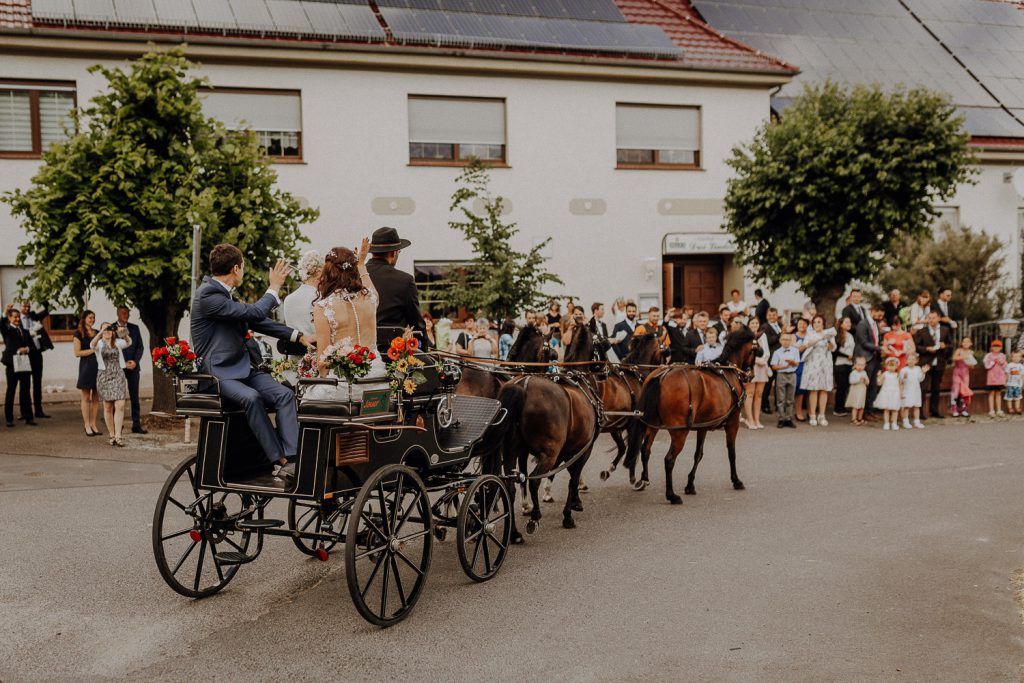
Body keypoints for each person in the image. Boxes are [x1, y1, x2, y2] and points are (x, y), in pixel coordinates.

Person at [191, 244, 309, 479]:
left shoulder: (225, 296)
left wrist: (299, 336)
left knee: (284, 395)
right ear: (236, 268)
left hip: (244, 369)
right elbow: (255, 314)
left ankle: (294, 457)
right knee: (251, 398)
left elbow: (256, 321)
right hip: (217, 374)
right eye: (243, 267)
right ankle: (281, 460)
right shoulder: (207, 295)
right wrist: (274, 287)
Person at [364, 227, 427, 352]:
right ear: (393, 253)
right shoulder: (405, 280)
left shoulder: (357, 276)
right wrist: (425, 352)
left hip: (361, 353)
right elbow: (417, 325)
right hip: (393, 353)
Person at [91, 322, 132, 446]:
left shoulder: (118, 342)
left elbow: (129, 342)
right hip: (104, 377)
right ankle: (112, 434)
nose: (108, 331)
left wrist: (123, 332)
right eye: (105, 329)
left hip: (118, 375)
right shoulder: (98, 343)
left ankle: (118, 435)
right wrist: (100, 332)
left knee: (120, 405)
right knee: (108, 407)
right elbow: (91, 344)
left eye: (109, 328)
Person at [282, 249, 323, 357]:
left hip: (294, 360)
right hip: (316, 358)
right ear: (319, 273)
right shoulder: (321, 298)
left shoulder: (288, 299)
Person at [913, 311, 952, 419]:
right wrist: (926, 349)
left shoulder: (945, 330)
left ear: (939, 318)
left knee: (936, 388)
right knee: (923, 388)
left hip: (939, 362)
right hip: (926, 363)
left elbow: (951, 346)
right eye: (929, 318)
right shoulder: (921, 331)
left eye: (933, 318)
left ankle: (934, 410)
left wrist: (945, 347)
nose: (931, 320)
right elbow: (916, 346)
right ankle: (920, 412)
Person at [114, 306, 147, 434]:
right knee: (117, 397)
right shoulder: (111, 328)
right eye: (123, 313)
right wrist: (122, 363)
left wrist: (135, 361)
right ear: (118, 314)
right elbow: (111, 348)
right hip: (118, 368)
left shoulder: (135, 328)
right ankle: (118, 425)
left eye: (127, 313)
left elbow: (140, 347)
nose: (126, 315)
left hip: (133, 367)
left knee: (135, 397)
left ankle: (136, 425)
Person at [799, 315, 836, 426]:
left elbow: (832, 348)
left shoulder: (828, 334)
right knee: (813, 389)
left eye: (819, 322)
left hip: (825, 363)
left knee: (824, 389)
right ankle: (812, 415)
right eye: (814, 322)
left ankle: (822, 415)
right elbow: (804, 346)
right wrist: (817, 339)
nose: (816, 324)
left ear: (823, 324)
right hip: (813, 363)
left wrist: (828, 340)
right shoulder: (810, 334)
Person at [19, 301, 54, 419]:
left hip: (37, 353)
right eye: (24, 306)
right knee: (24, 385)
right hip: (24, 354)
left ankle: (38, 411)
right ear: (20, 307)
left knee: (37, 383)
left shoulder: (33, 315)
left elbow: (47, 311)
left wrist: (44, 302)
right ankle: (25, 413)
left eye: (28, 306)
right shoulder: (16, 318)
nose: (27, 308)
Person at [2, 307, 36, 427]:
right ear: (10, 318)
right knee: (11, 390)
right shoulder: (7, 330)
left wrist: (26, 349)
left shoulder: (25, 331)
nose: (17, 319)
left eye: (18, 317)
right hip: (12, 364)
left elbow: (33, 347)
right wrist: (5, 312)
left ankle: (28, 417)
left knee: (26, 391)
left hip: (24, 363)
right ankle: (9, 418)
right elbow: (1, 323)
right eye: (14, 317)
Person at [855, 304, 886, 418]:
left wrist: (883, 345)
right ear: (872, 311)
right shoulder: (863, 324)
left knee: (873, 386)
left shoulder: (875, 324)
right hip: (865, 358)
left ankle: (869, 410)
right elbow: (863, 342)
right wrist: (879, 348)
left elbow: (876, 340)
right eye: (878, 315)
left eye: (882, 315)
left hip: (875, 357)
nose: (880, 317)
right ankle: (861, 413)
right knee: (865, 386)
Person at [73, 310, 100, 436]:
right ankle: (86, 425)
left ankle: (93, 424)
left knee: (96, 398)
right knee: (85, 397)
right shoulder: (78, 333)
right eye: (90, 317)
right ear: (84, 319)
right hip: (86, 367)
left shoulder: (97, 333)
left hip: (98, 367)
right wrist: (93, 350)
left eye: (93, 318)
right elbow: (77, 353)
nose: (92, 320)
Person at [743, 317, 770, 429]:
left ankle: (757, 419)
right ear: (748, 324)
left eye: (756, 322)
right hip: (751, 366)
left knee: (759, 394)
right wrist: (757, 360)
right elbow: (745, 352)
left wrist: (763, 360)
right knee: (750, 393)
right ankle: (750, 419)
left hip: (762, 367)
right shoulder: (745, 336)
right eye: (752, 322)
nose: (754, 324)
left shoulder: (763, 335)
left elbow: (767, 351)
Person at [770, 333, 800, 428]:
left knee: (790, 399)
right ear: (780, 341)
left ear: (791, 341)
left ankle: (789, 418)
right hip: (781, 375)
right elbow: (774, 366)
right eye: (784, 339)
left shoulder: (795, 351)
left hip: (792, 375)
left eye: (788, 339)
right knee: (781, 399)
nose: (786, 341)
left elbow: (797, 364)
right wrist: (785, 366)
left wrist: (792, 363)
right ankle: (781, 418)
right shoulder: (777, 352)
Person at [762, 307, 783, 414]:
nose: (772, 317)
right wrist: (781, 334)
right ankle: (765, 405)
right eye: (770, 315)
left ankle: (778, 404)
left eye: (774, 315)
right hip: (770, 358)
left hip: (780, 359)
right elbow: (769, 341)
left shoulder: (781, 325)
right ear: (767, 316)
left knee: (779, 384)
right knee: (768, 384)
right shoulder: (765, 327)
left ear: (777, 315)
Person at [833, 316, 855, 417]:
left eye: (849, 322)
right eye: (846, 322)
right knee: (841, 386)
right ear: (841, 324)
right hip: (839, 364)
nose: (849, 324)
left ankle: (842, 406)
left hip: (849, 364)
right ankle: (837, 408)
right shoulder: (837, 335)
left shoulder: (850, 335)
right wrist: (847, 356)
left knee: (845, 386)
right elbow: (835, 352)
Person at [949, 336, 977, 418]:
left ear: (971, 343)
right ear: (961, 343)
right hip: (957, 372)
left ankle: (963, 408)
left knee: (965, 390)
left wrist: (971, 364)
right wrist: (963, 357)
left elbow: (972, 365)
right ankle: (953, 408)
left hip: (965, 373)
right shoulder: (959, 350)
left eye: (968, 341)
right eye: (964, 341)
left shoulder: (971, 352)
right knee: (956, 390)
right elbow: (954, 358)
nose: (966, 343)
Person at [874, 356, 903, 430]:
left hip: (895, 393)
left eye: (892, 365)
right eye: (889, 365)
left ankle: (894, 423)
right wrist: (879, 376)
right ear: (886, 366)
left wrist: (901, 393)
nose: (890, 367)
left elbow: (900, 384)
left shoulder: (897, 375)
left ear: (896, 366)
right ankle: (886, 423)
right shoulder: (885, 374)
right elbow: (879, 383)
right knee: (886, 409)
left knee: (895, 410)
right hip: (886, 393)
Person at [899, 353, 926, 429]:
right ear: (906, 361)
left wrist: (923, 372)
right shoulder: (903, 370)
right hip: (907, 390)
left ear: (916, 361)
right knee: (906, 406)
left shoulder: (918, 369)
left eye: (913, 359)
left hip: (916, 390)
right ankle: (905, 421)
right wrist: (904, 378)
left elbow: (920, 379)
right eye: (909, 359)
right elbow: (901, 382)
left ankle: (917, 422)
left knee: (916, 406)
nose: (911, 361)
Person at [983, 339, 1007, 417]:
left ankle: (999, 410)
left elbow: (1005, 367)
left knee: (998, 394)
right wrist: (993, 362)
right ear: (991, 347)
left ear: (1001, 348)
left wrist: (1002, 363)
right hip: (991, 379)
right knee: (991, 393)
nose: (996, 348)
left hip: (1000, 379)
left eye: (998, 346)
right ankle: (991, 410)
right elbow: (987, 366)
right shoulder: (988, 355)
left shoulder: (1003, 356)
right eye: (994, 346)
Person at [846, 356, 869, 425]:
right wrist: (859, 379)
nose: (860, 367)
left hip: (862, 391)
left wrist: (866, 380)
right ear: (855, 365)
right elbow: (851, 381)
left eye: (862, 365)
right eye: (858, 365)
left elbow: (867, 382)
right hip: (856, 391)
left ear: (865, 366)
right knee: (855, 406)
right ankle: (853, 419)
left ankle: (860, 418)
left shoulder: (864, 373)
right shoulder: (854, 373)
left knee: (861, 406)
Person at [793, 317, 809, 421]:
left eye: (804, 324)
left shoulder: (810, 336)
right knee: (799, 388)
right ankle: (798, 412)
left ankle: (809, 411)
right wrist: (806, 345)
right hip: (799, 364)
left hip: (809, 363)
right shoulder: (794, 337)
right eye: (800, 323)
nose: (802, 325)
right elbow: (795, 351)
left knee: (809, 389)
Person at [1004, 350, 1023, 415]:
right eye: (1014, 357)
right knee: (1009, 397)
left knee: (1018, 397)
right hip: (1010, 384)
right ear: (1012, 358)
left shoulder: (1021, 366)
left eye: (1018, 357)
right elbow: (1006, 374)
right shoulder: (1009, 365)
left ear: (1021, 358)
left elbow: (1022, 375)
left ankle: (1017, 408)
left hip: (1018, 385)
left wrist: (1021, 383)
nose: (1016, 358)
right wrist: (1005, 382)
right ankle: (1010, 408)